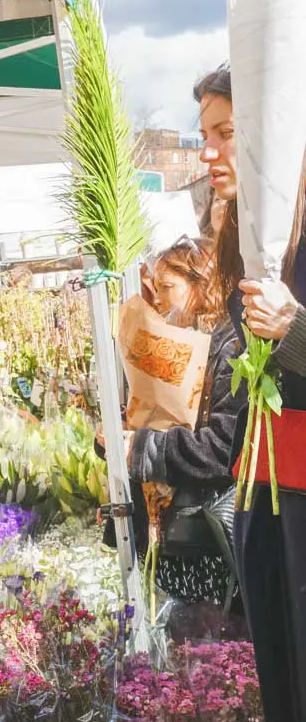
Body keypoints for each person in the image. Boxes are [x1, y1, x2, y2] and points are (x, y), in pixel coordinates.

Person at [195, 65, 306, 722]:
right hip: (266, 501)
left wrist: (294, 331)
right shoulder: (246, 237)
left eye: (224, 133)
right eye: (203, 135)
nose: (208, 152)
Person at [98, 236, 244, 612]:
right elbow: (156, 416)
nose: (159, 299)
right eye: (155, 288)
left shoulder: (229, 349)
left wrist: (142, 447)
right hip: (170, 538)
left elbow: (222, 448)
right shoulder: (177, 345)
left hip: (203, 538)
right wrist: (118, 439)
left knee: (208, 643)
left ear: (202, 286)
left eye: (167, 287)